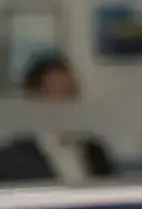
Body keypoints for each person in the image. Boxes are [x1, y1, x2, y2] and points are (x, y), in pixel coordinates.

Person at [0, 53, 117, 182]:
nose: (70, 104)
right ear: (35, 100)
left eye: (73, 94)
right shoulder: (11, 161)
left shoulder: (95, 152)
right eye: (61, 95)